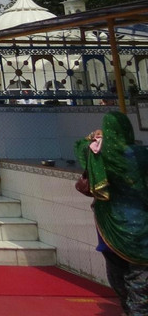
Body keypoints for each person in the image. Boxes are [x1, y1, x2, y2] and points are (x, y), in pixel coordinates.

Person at [76, 111, 148, 314]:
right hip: (141, 226)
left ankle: (128, 307)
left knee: (117, 270)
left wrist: (92, 137)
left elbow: (79, 148)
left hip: (110, 228)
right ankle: (138, 310)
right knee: (141, 273)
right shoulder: (142, 155)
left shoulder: (98, 155)